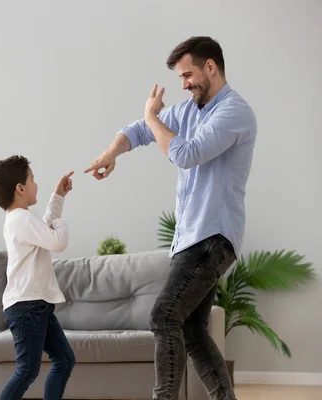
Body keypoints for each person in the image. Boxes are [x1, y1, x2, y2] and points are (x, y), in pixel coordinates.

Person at [85, 36, 257, 400]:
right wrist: (110, 153)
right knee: (193, 330)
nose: (184, 84)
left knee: (163, 316)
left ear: (211, 66)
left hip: (213, 236)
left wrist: (152, 115)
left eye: (188, 75)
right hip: (191, 237)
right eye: (180, 78)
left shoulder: (234, 112)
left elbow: (186, 153)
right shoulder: (188, 111)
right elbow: (138, 130)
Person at [0, 155, 76, 400]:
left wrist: (58, 198)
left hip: (35, 305)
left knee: (64, 359)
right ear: (20, 188)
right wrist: (60, 222)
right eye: (33, 179)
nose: (36, 184)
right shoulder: (22, 219)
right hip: (27, 307)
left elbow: (44, 230)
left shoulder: (21, 219)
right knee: (27, 370)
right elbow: (57, 241)